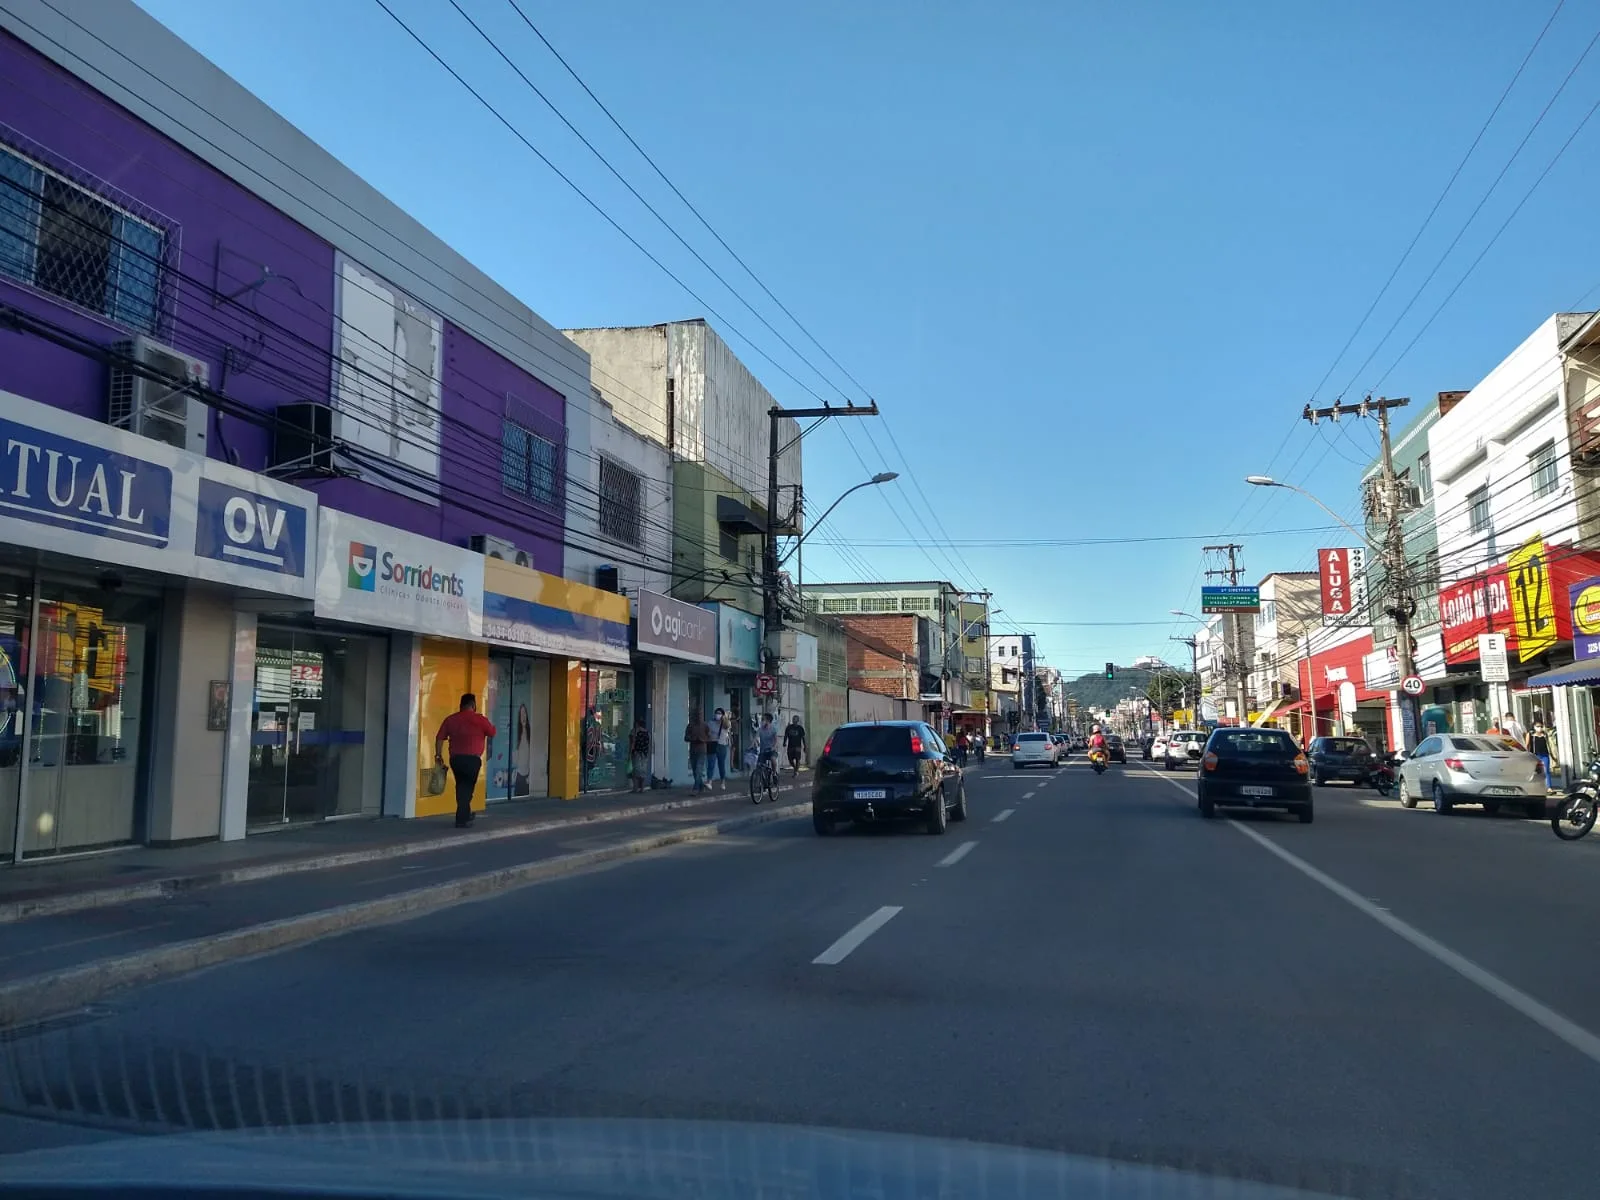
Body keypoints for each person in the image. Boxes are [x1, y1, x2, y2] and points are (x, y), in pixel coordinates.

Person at [435, 693, 497, 829]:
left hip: (456, 759)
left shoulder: (451, 719)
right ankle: (461, 819)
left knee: (461, 786)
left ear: (461, 705)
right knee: (467, 788)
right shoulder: (480, 719)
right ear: (473, 705)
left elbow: (439, 738)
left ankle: (466, 813)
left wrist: (438, 755)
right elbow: (492, 732)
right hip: (472, 760)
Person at [685, 708, 711, 792]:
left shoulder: (705, 726)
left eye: (700, 714)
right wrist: (692, 738)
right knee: (695, 771)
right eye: (697, 714)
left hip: (702, 750)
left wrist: (703, 740)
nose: (699, 716)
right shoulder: (690, 726)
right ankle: (701, 786)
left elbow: (709, 737)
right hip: (693, 750)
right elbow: (685, 737)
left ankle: (695, 788)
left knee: (698, 769)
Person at [1529, 711, 1555, 789]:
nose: (1539, 728)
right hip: (1535, 755)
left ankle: (1549, 787)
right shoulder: (1531, 736)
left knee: (1546, 770)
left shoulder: (1545, 735)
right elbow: (1528, 745)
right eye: (1537, 726)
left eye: (1540, 726)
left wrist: (1553, 755)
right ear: (1534, 727)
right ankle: (1536, 786)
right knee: (1536, 771)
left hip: (1544, 755)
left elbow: (1550, 745)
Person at [710, 707, 731, 791]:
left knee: (721, 764)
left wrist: (724, 719)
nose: (717, 715)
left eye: (719, 713)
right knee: (711, 763)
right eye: (716, 713)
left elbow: (727, 726)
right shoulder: (711, 722)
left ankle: (722, 782)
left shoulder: (725, 723)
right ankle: (709, 781)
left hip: (722, 745)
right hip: (713, 744)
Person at [628, 718, 651, 793]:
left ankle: (635, 788)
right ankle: (642, 788)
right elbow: (649, 744)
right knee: (643, 771)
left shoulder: (634, 731)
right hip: (644, 754)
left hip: (636, 753)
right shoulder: (647, 733)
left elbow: (632, 743)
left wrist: (630, 753)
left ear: (637, 724)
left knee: (635, 771)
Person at [756, 712, 778, 779]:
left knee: (773, 759)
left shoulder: (773, 729)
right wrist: (754, 744)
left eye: (763, 719)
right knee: (759, 765)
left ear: (768, 721)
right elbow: (756, 737)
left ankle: (774, 774)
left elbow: (776, 740)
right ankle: (761, 780)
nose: (762, 721)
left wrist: (773, 747)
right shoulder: (760, 729)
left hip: (771, 750)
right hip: (763, 751)